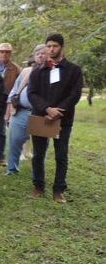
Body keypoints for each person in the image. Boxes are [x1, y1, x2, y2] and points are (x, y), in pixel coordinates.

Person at [28, 34, 83, 204]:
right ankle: (38, 186)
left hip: (62, 119)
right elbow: (32, 93)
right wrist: (47, 108)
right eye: (49, 46)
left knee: (61, 155)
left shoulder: (74, 70)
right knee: (38, 155)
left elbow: (75, 93)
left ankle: (59, 189)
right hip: (41, 117)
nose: (51, 49)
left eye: (55, 46)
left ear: (62, 47)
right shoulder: (38, 71)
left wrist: (59, 110)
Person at [5, 44, 47, 175]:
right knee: (14, 140)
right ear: (34, 57)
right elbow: (15, 88)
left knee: (41, 145)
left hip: (41, 113)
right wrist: (11, 102)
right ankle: (12, 169)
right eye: (37, 53)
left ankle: (38, 173)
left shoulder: (52, 72)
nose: (40, 55)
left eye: (43, 53)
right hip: (21, 111)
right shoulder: (26, 71)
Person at [0, 43, 21, 166]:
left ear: (10, 53)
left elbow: (19, 86)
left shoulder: (16, 69)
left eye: (7, 52)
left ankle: (0, 155)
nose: (4, 54)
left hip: (4, 102)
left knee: (1, 130)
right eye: (2, 51)